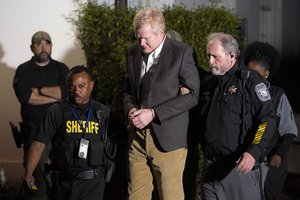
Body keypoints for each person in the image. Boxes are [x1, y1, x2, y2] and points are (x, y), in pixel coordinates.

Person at [123, 7, 200, 200]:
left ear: (161, 33)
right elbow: (127, 91)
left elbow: (193, 95)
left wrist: (153, 113)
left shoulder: (182, 52)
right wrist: (130, 109)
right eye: (138, 37)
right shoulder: (132, 52)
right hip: (137, 138)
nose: (141, 43)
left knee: (170, 196)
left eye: (146, 38)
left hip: (168, 140)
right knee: (136, 196)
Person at [191, 32, 276, 200]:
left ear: (232, 55)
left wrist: (253, 151)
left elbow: (267, 120)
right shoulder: (209, 83)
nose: (210, 61)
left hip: (237, 170)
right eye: (208, 56)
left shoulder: (250, 82)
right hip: (211, 170)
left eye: (215, 56)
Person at [24, 65, 117, 200]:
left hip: (94, 185)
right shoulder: (56, 111)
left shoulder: (103, 112)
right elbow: (39, 143)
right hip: (64, 184)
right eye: (72, 86)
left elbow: (119, 141)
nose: (76, 91)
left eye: (81, 86)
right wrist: (28, 173)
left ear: (91, 86)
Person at [13, 31, 69, 200]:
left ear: (51, 46)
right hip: (34, 131)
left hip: (61, 132)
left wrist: (39, 90)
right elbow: (26, 98)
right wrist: (55, 98)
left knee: (64, 173)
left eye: (47, 43)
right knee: (37, 175)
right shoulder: (23, 70)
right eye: (38, 44)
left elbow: (66, 93)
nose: (43, 48)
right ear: (32, 48)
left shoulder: (62, 69)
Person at [244, 41, 298, 200]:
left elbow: (289, 130)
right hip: (249, 160)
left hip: (271, 160)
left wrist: (279, 155)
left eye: (257, 74)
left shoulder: (277, 95)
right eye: (250, 73)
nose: (253, 78)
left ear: (266, 74)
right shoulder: (242, 94)